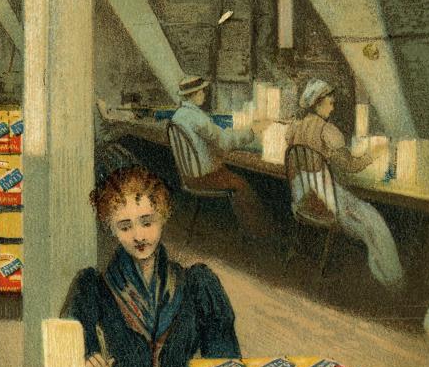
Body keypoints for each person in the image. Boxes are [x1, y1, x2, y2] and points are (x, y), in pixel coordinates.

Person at [63, 166, 241, 367]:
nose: (138, 236)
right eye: (125, 226)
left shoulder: (198, 285)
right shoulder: (91, 289)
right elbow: (66, 363)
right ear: (111, 228)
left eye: (147, 222)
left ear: (163, 216)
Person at [286, 79, 403, 290]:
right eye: (330, 103)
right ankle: (393, 282)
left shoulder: (295, 128)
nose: (332, 108)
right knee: (373, 220)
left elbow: (310, 155)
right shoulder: (327, 130)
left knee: (364, 221)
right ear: (318, 104)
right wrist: (373, 154)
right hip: (325, 200)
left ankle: (384, 277)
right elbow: (351, 166)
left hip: (304, 197)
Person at [170, 75, 274, 244]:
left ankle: (256, 232)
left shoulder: (177, 117)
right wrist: (252, 132)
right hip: (203, 178)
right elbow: (224, 142)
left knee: (234, 177)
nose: (204, 94)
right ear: (195, 94)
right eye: (202, 91)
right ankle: (260, 235)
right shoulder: (198, 118)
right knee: (241, 184)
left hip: (188, 177)